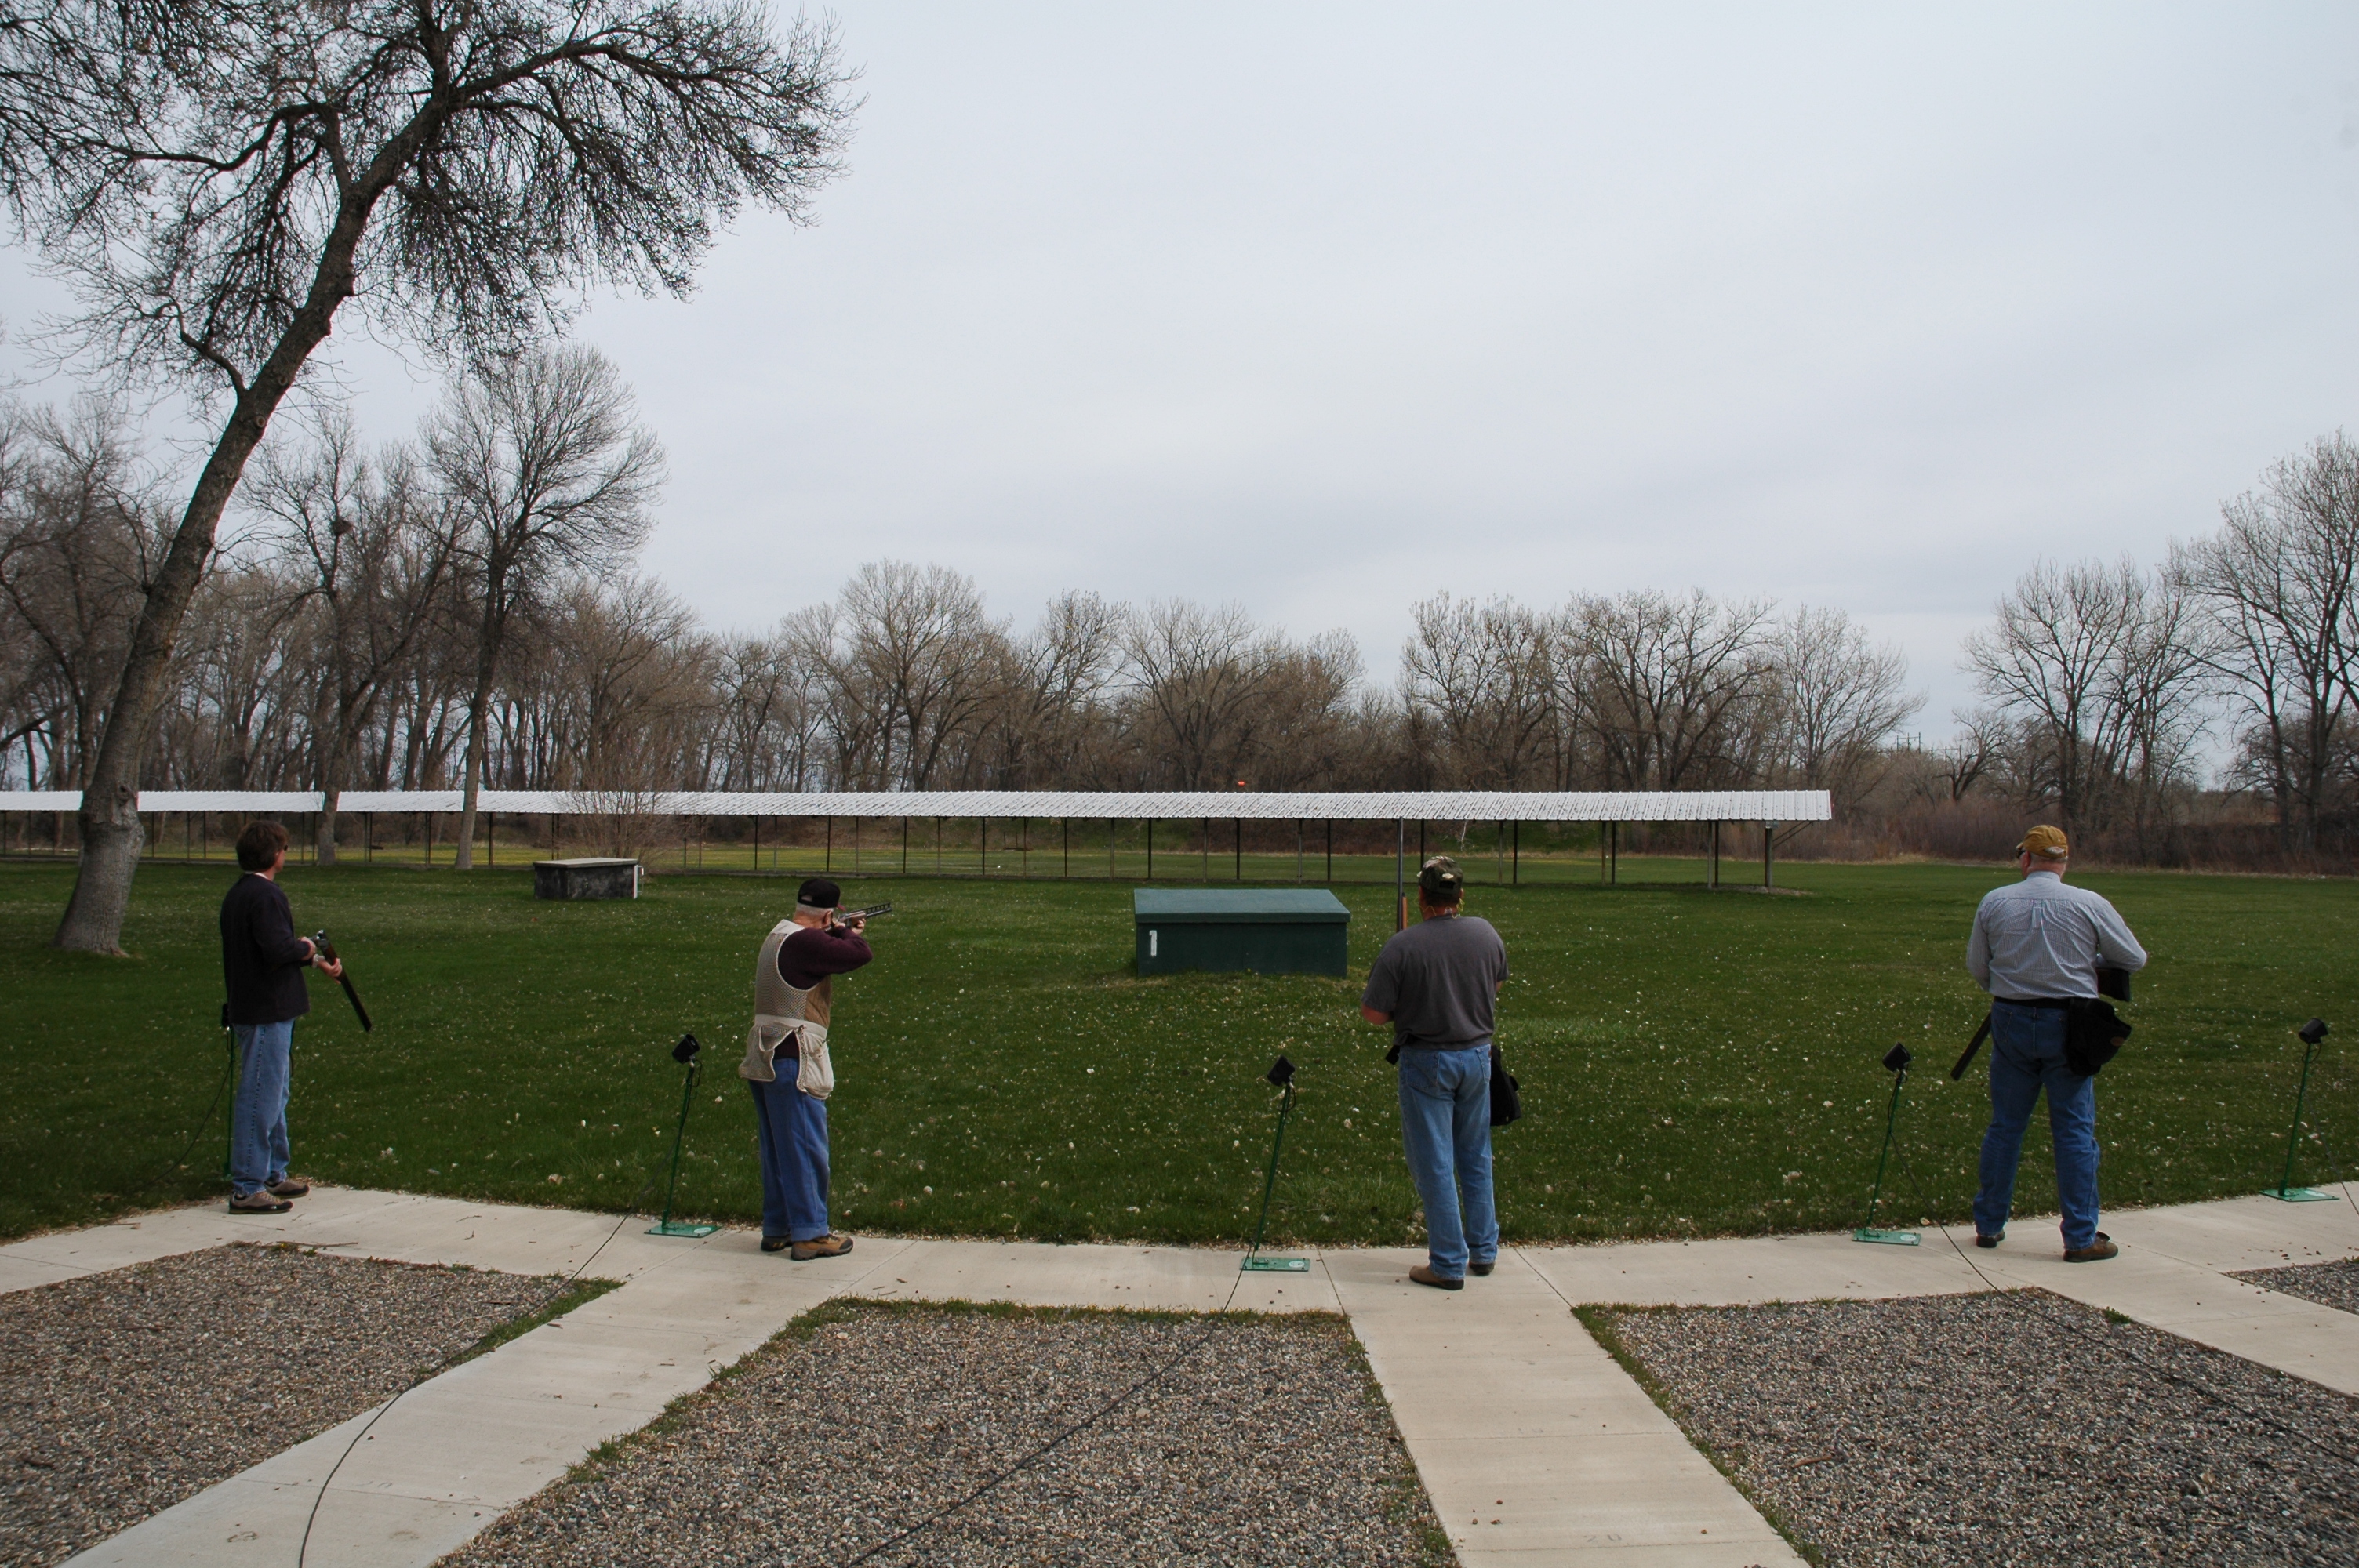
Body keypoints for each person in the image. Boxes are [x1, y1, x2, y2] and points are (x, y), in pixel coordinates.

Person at [1967, 824, 2147, 1261]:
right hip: (2070, 1025)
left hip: (2009, 1018)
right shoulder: (2089, 903)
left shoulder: (1995, 901)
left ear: (2025, 859)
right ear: (2064, 862)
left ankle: (1989, 1225)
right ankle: (2081, 1237)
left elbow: (1978, 968)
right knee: (2074, 1129)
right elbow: (2134, 959)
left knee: (2005, 1126)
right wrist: (2090, 960)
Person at [1360, 855, 1509, 1290]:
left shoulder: (1402, 946)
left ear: (1422, 898)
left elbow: (1373, 1013)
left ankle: (1446, 1263)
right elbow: (1496, 984)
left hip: (1426, 1062)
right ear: (1459, 897)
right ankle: (1483, 1251)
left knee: (1435, 1162)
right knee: (1475, 1154)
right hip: (1477, 1058)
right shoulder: (1486, 934)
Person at [739, 877, 871, 1260]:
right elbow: (859, 954)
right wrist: (848, 934)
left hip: (766, 1054)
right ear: (829, 915)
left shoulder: (779, 934)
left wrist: (837, 932)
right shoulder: (807, 942)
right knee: (805, 1149)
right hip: (794, 1058)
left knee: (779, 1149)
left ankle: (779, 1226)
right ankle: (811, 1233)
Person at [220, 819, 342, 1215]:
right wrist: (307, 949)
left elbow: (266, 952)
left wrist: (310, 958)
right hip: (265, 1011)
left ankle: (273, 1171)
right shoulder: (265, 896)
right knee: (260, 1095)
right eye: (285, 850)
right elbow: (277, 950)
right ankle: (247, 1186)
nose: (285, 855)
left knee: (276, 1092)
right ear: (274, 855)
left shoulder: (240, 895)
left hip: (259, 1006)